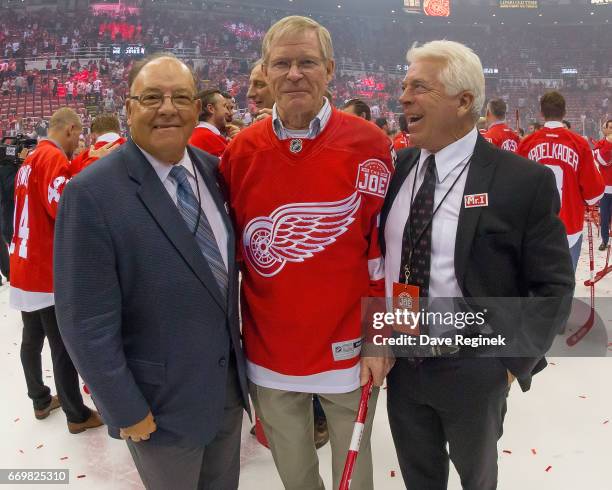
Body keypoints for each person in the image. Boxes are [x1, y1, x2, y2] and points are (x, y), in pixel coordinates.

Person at [380, 40, 574, 490]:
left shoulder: (522, 180)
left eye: (419, 87)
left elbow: (554, 286)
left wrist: (510, 362)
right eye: (404, 86)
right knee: (419, 479)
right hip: (405, 366)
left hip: (474, 366)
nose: (403, 97)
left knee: (478, 479)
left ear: (464, 101)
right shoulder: (400, 166)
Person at [54, 53, 249, 490]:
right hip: (156, 406)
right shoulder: (92, 193)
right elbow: (84, 320)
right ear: (128, 108)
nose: (168, 108)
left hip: (226, 391)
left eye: (181, 97)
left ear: (198, 108)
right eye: (152, 97)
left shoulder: (215, 172)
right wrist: (123, 407)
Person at [220, 15, 394, 490]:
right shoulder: (239, 152)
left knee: (355, 479)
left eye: (307, 62)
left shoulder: (371, 144)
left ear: (330, 69)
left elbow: (390, 253)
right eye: (282, 63)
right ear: (266, 71)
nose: (294, 73)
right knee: (295, 478)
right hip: (270, 353)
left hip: (350, 352)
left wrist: (384, 339)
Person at [9, 107, 104, 432]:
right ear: (69, 129)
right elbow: (64, 203)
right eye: (78, 135)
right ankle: (76, 415)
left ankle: (39, 398)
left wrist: (81, 161)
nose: (78, 142)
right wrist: (92, 163)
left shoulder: (31, 158)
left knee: (32, 336)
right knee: (62, 345)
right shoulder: (51, 158)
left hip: (23, 263)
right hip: (43, 268)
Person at [518, 91, 604, 271]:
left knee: (536, 287)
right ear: (565, 112)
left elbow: (516, 190)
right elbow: (594, 193)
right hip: (569, 228)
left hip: (534, 229)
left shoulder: (527, 144)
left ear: (541, 113)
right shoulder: (579, 144)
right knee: (564, 286)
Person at [188, 88, 231, 157]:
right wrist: (238, 141)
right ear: (211, 109)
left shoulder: (198, 134)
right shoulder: (207, 138)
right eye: (224, 106)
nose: (227, 112)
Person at [594, 119, 612, 250]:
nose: (611, 130)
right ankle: (604, 240)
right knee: (604, 217)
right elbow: (603, 161)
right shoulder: (600, 144)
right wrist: (608, 143)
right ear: (604, 129)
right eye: (609, 127)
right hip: (605, 189)